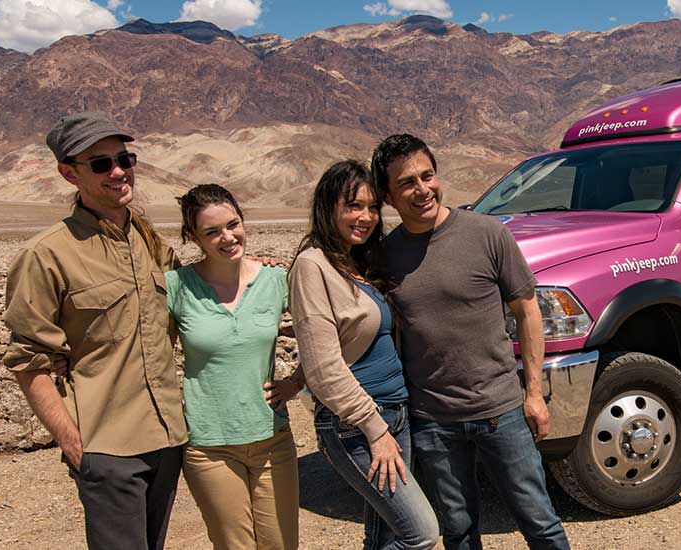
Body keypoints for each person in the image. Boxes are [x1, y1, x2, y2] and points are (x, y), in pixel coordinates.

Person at [370, 134, 571, 550]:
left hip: (501, 410)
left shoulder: (487, 233)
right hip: (432, 421)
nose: (422, 189)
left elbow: (528, 312)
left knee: (539, 520)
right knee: (458, 531)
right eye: (407, 182)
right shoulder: (385, 256)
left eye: (427, 176)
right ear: (388, 196)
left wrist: (534, 392)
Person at [1, 112, 186, 550]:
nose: (119, 171)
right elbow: (29, 362)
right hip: (107, 445)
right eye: (100, 164)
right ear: (69, 173)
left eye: (125, 158)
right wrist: (75, 445)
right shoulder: (46, 255)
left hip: (167, 437)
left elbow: (190, 306)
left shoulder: (150, 242)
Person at [289, 160, 439, 550]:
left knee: (386, 533)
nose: (366, 217)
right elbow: (325, 366)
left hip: (396, 411)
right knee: (421, 532)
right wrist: (375, 431)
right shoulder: (312, 266)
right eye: (353, 206)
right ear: (329, 207)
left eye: (373, 208)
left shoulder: (358, 262)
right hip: (357, 424)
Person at [165, 184, 304, 550]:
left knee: (281, 544)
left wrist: (296, 382)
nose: (227, 237)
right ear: (193, 236)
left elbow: (323, 334)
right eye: (212, 231)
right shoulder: (175, 287)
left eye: (233, 224)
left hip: (272, 439)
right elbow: (150, 354)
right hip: (210, 446)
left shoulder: (276, 280)